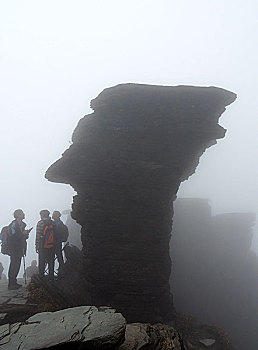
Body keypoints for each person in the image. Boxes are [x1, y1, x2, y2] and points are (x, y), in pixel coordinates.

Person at [8, 209, 32, 290]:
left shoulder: (22, 225)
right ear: (18, 215)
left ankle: (14, 282)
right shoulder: (14, 224)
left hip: (20, 247)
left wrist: (26, 234)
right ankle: (11, 283)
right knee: (14, 264)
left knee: (17, 264)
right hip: (14, 248)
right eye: (22, 213)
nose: (24, 214)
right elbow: (12, 236)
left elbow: (22, 237)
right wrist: (23, 234)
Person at [35, 210, 56, 282]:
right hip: (52, 246)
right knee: (51, 262)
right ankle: (51, 278)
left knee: (42, 262)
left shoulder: (40, 223)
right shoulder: (53, 223)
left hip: (43, 246)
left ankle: (41, 277)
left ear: (42, 215)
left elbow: (38, 235)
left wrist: (37, 246)